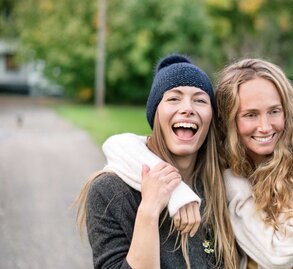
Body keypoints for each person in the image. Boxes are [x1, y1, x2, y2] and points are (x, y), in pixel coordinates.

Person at [101, 58, 293, 269]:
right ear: (229, 121)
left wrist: (232, 183)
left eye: (274, 111)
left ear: (287, 111)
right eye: (250, 115)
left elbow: (279, 253)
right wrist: (177, 192)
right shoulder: (226, 158)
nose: (265, 126)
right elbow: (118, 146)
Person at [76, 54, 241, 269]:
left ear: (211, 117)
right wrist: (149, 211)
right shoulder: (110, 190)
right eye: (174, 98)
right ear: (156, 113)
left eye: (200, 100)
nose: (188, 108)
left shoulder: (218, 185)